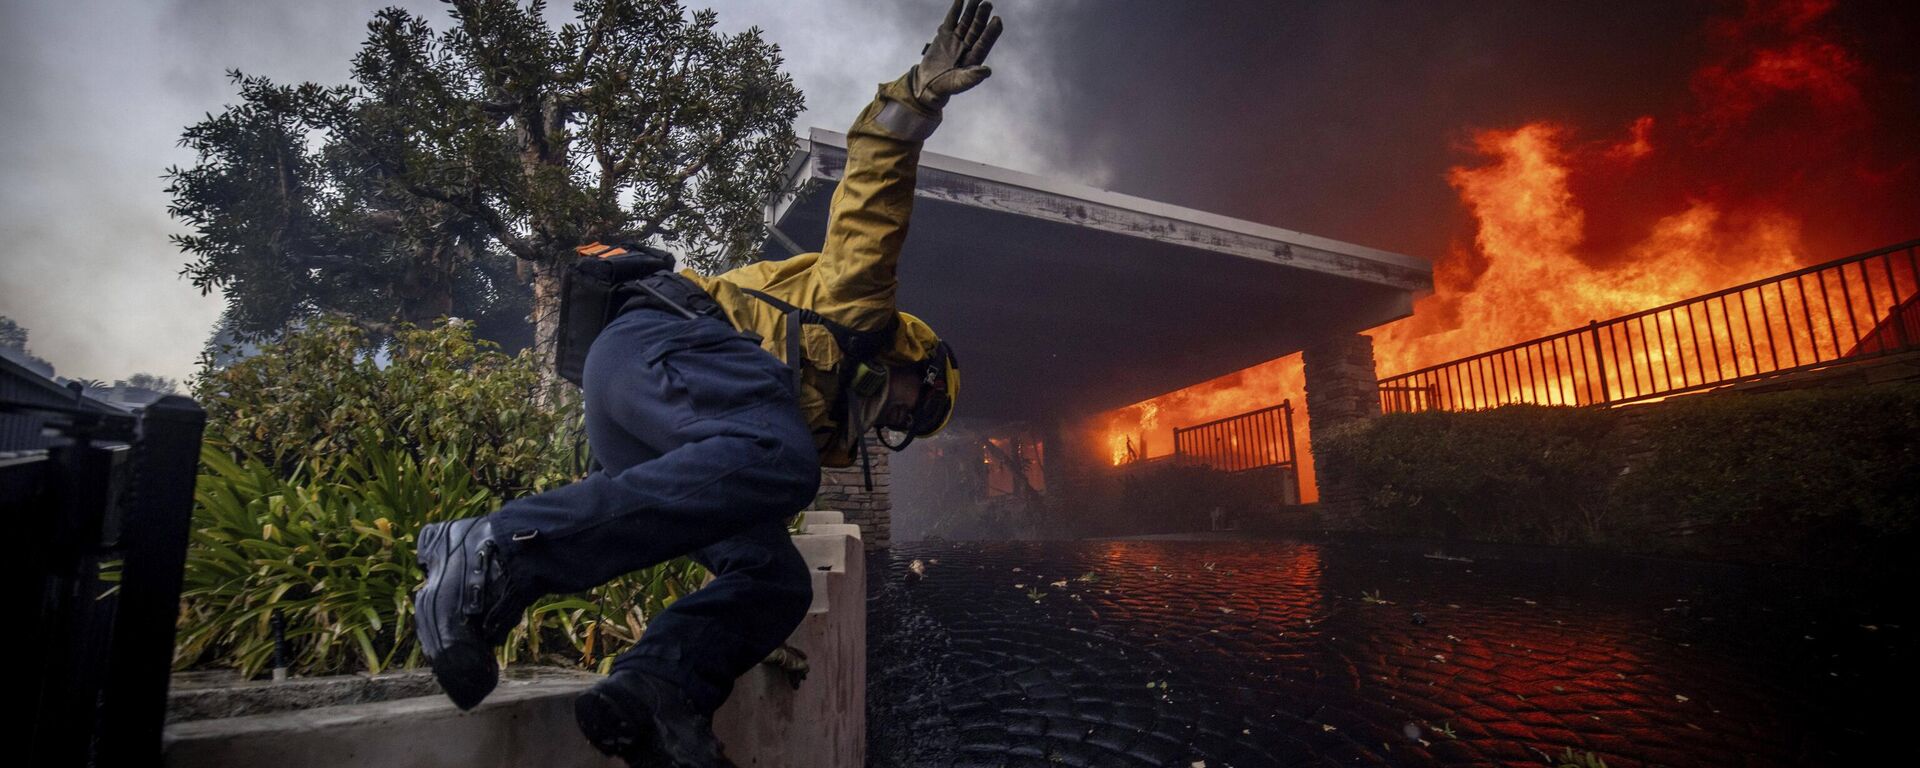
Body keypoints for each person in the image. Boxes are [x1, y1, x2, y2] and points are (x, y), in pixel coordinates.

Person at [409, 2, 1002, 766]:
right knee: (779, 460)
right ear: (910, 363)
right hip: (655, 341)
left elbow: (708, 482)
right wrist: (919, 94)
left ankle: (657, 689)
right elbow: (874, 188)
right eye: (918, 409)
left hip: (640, 414)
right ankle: (493, 551)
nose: (903, 424)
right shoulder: (858, 308)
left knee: (775, 579)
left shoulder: (812, 424)